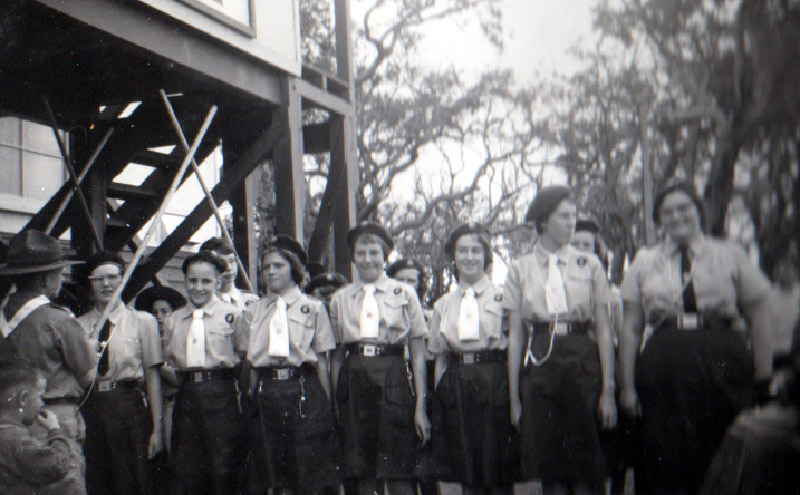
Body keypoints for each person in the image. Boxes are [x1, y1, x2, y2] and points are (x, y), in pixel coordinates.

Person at [618, 182, 773, 495]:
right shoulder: (645, 261)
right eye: (667, 212)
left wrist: (763, 375)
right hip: (664, 367)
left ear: (699, 211)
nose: (676, 217)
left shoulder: (729, 254)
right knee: (666, 456)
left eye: (684, 208)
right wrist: (627, 387)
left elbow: (758, 317)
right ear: (658, 220)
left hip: (722, 360)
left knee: (722, 453)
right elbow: (632, 327)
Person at [504, 186, 617, 495]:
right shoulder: (519, 269)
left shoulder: (590, 265)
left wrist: (608, 390)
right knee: (551, 470)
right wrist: (515, 399)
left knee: (587, 470)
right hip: (541, 361)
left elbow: (604, 329)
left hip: (582, 359)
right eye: (564, 217)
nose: (572, 222)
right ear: (543, 223)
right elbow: (516, 335)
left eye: (574, 216)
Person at [329, 221, 430, 495]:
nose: (367, 259)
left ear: (385, 255)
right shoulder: (340, 298)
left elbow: (418, 353)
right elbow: (337, 356)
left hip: (393, 375)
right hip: (354, 375)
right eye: (360, 253)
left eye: (374, 252)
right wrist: (336, 401)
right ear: (353, 257)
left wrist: (420, 405)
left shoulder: (405, 293)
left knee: (398, 468)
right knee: (361, 471)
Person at [0, 230, 97, 495]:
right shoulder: (59, 320)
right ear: (46, 278)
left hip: (9, 422)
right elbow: (88, 377)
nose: (61, 277)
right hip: (52, 418)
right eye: (59, 271)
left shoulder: (3, 316)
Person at [426, 222, 518, 495]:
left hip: (494, 380)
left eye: (475, 250)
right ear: (453, 256)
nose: (468, 257)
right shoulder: (443, 304)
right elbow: (441, 356)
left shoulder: (504, 298)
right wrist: (441, 396)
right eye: (462, 250)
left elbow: (515, 346)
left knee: (498, 470)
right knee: (467, 471)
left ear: (486, 255)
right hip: (457, 386)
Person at [244, 235, 339, 494]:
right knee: (272, 471)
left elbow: (321, 360)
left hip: (302, 388)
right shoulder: (254, 310)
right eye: (266, 267)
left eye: (278, 265)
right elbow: (251, 362)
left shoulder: (313, 308)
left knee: (305, 468)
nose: (271, 271)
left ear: (293, 269)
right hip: (267, 390)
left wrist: (326, 403)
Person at [77, 251, 163, 495]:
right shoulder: (80, 326)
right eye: (98, 279)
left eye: (113, 277)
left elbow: (153, 377)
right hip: (92, 407)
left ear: (122, 280)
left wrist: (158, 427)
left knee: (132, 479)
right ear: (90, 284)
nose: (106, 284)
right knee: (97, 478)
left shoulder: (142, 321)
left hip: (129, 406)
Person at [162, 251, 248, 495]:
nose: (198, 288)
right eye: (192, 281)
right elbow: (172, 363)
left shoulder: (233, 315)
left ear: (218, 282)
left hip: (221, 394)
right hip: (187, 394)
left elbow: (243, 358)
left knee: (223, 464)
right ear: (185, 281)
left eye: (206, 281)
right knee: (187, 465)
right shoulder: (175, 320)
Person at [571, 217, 628, 495]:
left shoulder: (612, 294)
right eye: (576, 244)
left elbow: (618, 336)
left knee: (608, 448)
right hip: (574, 373)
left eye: (587, 245)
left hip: (603, 369)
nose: (582, 250)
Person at [386, 258, 438, 495]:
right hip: (394, 384)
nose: (406, 286)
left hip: (423, 384)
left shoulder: (430, 316)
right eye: (400, 281)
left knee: (425, 464)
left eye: (412, 281)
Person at [0, 365, 71, 494]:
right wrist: (55, 430)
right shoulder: (18, 441)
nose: (42, 404)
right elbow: (58, 466)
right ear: (23, 398)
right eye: (40, 397)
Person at [134, 285, 187, 457]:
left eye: (164, 311)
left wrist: (160, 367)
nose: (159, 317)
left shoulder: (179, 340)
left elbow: (181, 379)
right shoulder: (145, 341)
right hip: (148, 406)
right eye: (155, 312)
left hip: (173, 404)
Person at [199, 237, 258, 309]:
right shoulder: (202, 305)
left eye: (231, 261)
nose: (229, 268)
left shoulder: (252, 301)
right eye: (221, 263)